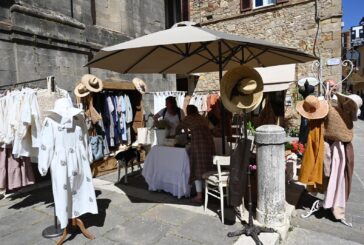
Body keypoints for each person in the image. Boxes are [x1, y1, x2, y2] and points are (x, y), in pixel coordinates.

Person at [176, 105, 215, 203]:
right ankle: (206, 190)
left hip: (198, 143)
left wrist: (175, 135)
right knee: (206, 166)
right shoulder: (202, 118)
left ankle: (199, 196)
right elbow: (210, 128)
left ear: (188, 111)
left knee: (197, 167)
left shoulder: (188, 118)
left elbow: (178, 128)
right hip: (209, 143)